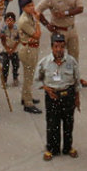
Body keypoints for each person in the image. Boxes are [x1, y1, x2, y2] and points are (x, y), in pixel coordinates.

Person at [37, 0, 87, 87]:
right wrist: (47, 25)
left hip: (71, 29)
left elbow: (80, 8)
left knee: (74, 55)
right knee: (58, 56)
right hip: (59, 31)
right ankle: (58, 79)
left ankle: (75, 79)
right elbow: (37, 11)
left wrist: (65, 13)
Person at [36, 33, 80, 161]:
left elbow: (77, 80)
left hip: (68, 95)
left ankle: (68, 147)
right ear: (52, 47)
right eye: (56, 46)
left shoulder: (71, 61)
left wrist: (77, 98)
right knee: (52, 123)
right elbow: (37, 79)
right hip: (52, 96)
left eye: (61, 46)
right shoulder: (45, 62)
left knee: (68, 123)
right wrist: (45, 88)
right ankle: (52, 149)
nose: (59, 49)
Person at [16, 0, 42, 114]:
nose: (32, 7)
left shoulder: (29, 16)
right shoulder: (24, 20)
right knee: (28, 77)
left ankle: (26, 96)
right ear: (23, 8)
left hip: (32, 48)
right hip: (28, 50)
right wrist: (38, 21)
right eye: (28, 6)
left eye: (32, 5)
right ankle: (28, 103)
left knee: (29, 75)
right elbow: (37, 35)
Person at [0, 11, 20, 86]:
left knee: (16, 65)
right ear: (5, 21)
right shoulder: (3, 30)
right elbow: (3, 41)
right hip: (5, 50)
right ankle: (4, 80)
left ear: (14, 21)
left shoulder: (17, 29)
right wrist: (7, 49)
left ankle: (15, 78)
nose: (9, 22)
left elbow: (18, 40)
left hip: (15, 50)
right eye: (7, 20)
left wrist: (13, 49)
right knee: (5, 66)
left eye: (11, 20)